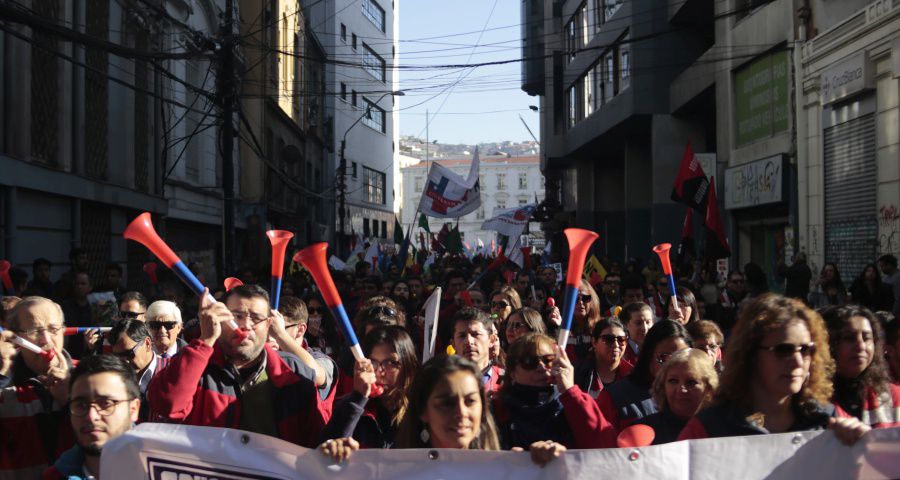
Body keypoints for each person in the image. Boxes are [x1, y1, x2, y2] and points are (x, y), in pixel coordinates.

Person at [148, 285, 330, 447]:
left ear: (269, 325)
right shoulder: (196, 366)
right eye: (236, 316)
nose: (245, 325)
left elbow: (316, 441)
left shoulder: (294, 373)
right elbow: (166, 405)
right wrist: (205, 340)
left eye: (256, 318)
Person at [678, 294, 870, 445]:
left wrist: (861, 447)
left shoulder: (829, 420)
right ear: (750, 354)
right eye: (783, 350)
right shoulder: (709, 429)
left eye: (805, 349)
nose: (797, 361)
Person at [322, 355, 566, 468]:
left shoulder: (510, 468)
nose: (461, 412)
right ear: (422, 411)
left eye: (470, 401)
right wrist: (332, 466)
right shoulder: (388, 472)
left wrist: (551, 469)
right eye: (446, 403)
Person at [493, 333, 616, 449]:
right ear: (512, 372)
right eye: (529, 361)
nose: (541, 367)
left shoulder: (571, 403)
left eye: (548, 360)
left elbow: (604, 443)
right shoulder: (499, 408)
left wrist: (570, 391)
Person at [0, 297, 74, 477]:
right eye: (34, 331)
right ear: (15, 337)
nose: (46, 340)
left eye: (54, 329)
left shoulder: (88, 377)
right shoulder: (6, 386)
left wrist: (69, 401)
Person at [43, 355, 140, 480]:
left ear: (133, 409)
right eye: (81, 405)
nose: (91, 416)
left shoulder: (165, 471)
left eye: (106, 403)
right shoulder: (53, 477)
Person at [321, 326, 418, 448]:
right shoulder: (352, 406)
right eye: (373, 362)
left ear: (408, 365)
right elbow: (324, 451)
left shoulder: (422, 410)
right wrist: (358, 398)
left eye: (392, 362)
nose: (380, 372)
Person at [601, 320, 693, 429]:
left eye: (682, 357)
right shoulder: (614, 397)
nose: (674, 365)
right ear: (648, 357)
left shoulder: (698, 394)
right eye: (665, 358)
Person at [821, 306, 900, 427]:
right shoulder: (809, 402)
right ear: (828, 344)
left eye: (867, 338)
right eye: (849, 338)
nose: (861, 346)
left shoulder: (895, 397)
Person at [635, 348, 718, 444]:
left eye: (691, 382)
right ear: (663, 385)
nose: (681, 390)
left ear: (709, 387)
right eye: (673, 381)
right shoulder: (643, 431)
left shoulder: (723, 430)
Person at [108, 319, 169, 422]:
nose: (125, 362)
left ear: (148, 344)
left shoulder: (171, 371)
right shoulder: (113, 380)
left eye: (129, 354)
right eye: (117, 357)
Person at [274, 296, 336, 398]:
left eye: (279, 328)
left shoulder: (321, 359)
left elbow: (315, 373)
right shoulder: (265, 355)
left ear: (300, 330)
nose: (272, 334)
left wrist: (280, 334)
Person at [575, 318, 633, 399]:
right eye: (608, 339)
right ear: (594, 342)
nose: (616, 344)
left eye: (621, 339)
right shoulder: (576, 374)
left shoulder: (633, 376)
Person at [451, 307, 503, 396]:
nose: (468, 341)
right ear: (453, 344)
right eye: (462, 336)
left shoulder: (506, 381)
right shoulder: (445, 384)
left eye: (475, 334)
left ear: (491, 340)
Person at [565, 279, 603, 362]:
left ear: (592, 301)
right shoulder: (561, 328)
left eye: (585, 298)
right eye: (575, 298)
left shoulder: (602, 327)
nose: (580, 302)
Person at [618, 302, 654, 367]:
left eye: (648, 322)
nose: (644, 328)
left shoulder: (659, 349)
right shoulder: (619, 351)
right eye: (638, 323)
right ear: (626, 325)